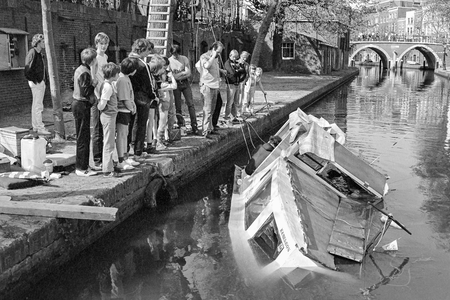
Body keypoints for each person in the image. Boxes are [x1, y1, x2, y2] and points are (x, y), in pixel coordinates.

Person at [127, 39, 158, 160]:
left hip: (129, 96)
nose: (148, 52)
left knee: (130, 124)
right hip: (141, 98)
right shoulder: (141, 64)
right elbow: (148, 83)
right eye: (147, 50)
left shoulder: (127, 61)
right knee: (140, 124)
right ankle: (138, 152)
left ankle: (127, 151)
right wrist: (153, 96)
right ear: (142, 50)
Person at [72, 48, 98, 177]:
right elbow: (85, 92)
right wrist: (94, 84)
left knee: (84, 135)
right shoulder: (85, 73)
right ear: (92, 61)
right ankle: (81, 168)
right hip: (81, 104)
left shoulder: (80, 69)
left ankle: (84, 165)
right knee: (83, 136)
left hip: (79, 104)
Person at [196, 41, 226, 138]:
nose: (219, 54)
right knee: (207, 109)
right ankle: (205, 131)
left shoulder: (216, 58)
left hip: (215, 86)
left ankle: (210, 128)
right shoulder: (204, 57)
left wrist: (221, 71)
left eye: (220, 52)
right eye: (218, 52)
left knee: (213, 109)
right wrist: (213, 56)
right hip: (207, 86)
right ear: (213, 49)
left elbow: (213, 68)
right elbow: (206, 66)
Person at [115, 57, 139, 170]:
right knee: (122, 135)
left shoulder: (126, 78)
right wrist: (131, 107)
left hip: (126, 110)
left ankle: (125, 157)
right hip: (122, 111)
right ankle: (121, 159)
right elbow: (124, 98)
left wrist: (132, 105)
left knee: (125, 135)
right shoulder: (123, 80)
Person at [169, 45, 198, 134]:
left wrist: (178, 75)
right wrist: (182, 73)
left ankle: (194, 125)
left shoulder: (184, 59)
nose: (175, 56)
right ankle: (181, 123)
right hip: (176, 85)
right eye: (174, 54)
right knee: (178, 105)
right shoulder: (169, 61)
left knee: (190, 104)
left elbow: (188, 73)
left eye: (177, 54)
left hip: (185, 83)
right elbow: (171, 76)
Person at [97, 62, 120, 177]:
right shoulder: (107, 87)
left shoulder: (106, 84)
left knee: (109, 141)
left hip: (109, 116)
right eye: (117, 73)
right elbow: (102, 103)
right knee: (108, 142)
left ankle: (110, 164)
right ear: (113, 74)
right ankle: (107, 170)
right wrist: (100, 108)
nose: (118, 75)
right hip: (108, 116)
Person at [91, 32, 110, 171]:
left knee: (104, 126)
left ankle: (103, 156)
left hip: (104, 93)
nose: (103, 46)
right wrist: (97, 95)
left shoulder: (106, 57)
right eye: (101, 44)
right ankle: (97, 158)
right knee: (97, 127)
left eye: (105, 44)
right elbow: (93, 78)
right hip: (98, 95)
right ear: (96, 44)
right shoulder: (95, 58)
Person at [24, 33, 50, 135]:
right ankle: (39, 127)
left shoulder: (39, 54)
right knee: (38, 105)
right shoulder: (33, 52)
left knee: (36, 104)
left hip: (40, 81)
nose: (44, 43)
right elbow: (27, 69)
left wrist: (44, 80)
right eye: (43, 41)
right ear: (38, 42)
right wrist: (35, 80)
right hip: (36, 82)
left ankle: (36, 126)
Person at [156, 57, 177, 150]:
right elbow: (175, 86)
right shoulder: (162, 85)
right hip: (164, 104)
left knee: (162, 123)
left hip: (165, 103)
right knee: (162, 123)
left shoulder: (162, 84)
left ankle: (161, 140)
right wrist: (172, 76)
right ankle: (159, 142)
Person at [223, 49, 246, 125]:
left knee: (236, 102)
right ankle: (227, 117)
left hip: (237, 84)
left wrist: (239, 71)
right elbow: (232, 73)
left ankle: (234, 117)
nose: (235, 58)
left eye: (236, 57)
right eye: (234, 57)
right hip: (231, 84)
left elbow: (244, 71)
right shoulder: (227, 63)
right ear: (230, 55)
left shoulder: (236, 62)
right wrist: (238, 70)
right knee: (230, 102)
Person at [238, 51, 250, 116]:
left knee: (241, 98)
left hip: (242, 83)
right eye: (243, 57)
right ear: (240, 56)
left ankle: (240, 111)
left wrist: (244, 81)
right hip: (235, 83)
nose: (245, 59)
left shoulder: (247, 65)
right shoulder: (236, 63)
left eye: (246, 58)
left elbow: (247, 75)